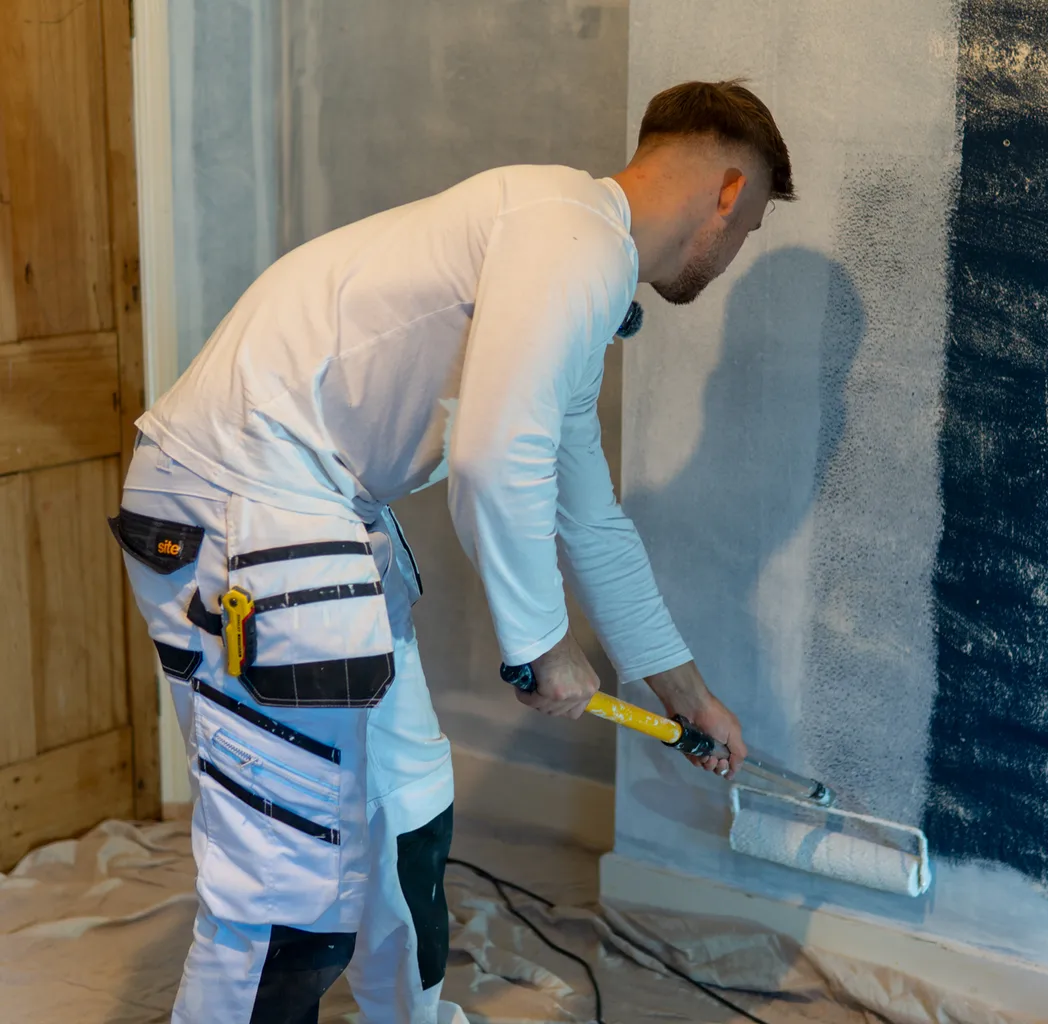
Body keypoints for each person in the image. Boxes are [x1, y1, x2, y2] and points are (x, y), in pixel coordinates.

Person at [108, 79, 795, 1024]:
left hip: (315, 515)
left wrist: (685, 694)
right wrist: (541, 643)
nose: (733, 250)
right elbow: (493, 456)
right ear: (728, 192)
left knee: (410, 812)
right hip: (237, 500)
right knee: (286, 887)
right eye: (749, 228)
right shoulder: (572, 235)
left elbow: (588, 518)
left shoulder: (567, 259)